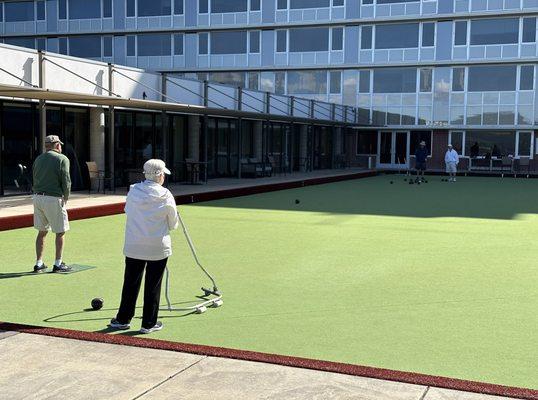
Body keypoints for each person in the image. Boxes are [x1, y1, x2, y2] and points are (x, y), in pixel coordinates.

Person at [109, 159, 179, 334]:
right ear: (160, 175)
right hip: (158, 246)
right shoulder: (166, 195)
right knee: (153, 285)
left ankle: (123, 319)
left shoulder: (133, 191)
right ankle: (148, 323)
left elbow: (128, 211)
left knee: (130, 283)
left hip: (134, 244)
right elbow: (173, 225)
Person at [32, 135, 72, 273]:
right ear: (56, 145)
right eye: (59, 144)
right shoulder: (62, 159)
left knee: (42, 232)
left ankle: (38, 263)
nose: (61, 146)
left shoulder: (38, 159)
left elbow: (35, 176)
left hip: (37, 197)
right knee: (60, 231)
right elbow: (66, 179)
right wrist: (66, 196)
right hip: (53, 198)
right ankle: (58, 263)